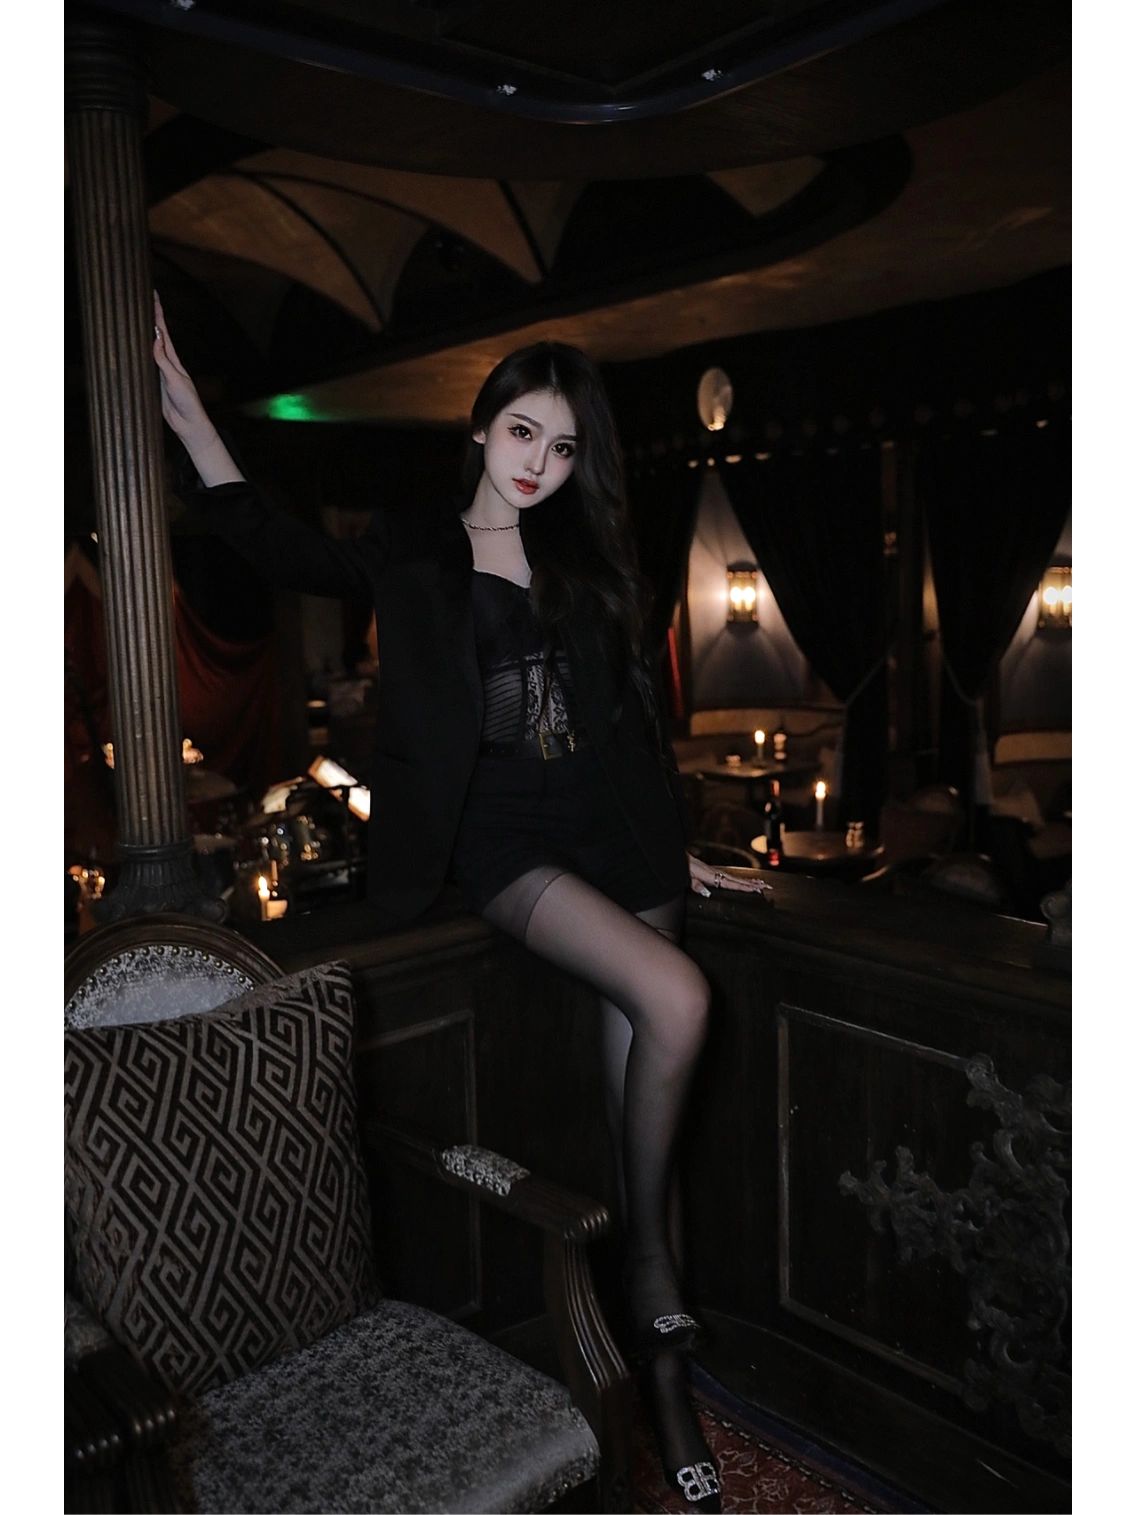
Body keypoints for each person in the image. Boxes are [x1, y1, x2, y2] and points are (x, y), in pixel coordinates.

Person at [154, 294, 766, 1511]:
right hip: (503, 844)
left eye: (563, 446)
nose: (539, 463)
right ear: (481, 429)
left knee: (639, 1103)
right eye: (522, 432)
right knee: (677, 999)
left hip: (618, 830)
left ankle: (662, 1381)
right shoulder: (414, 545)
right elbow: (281, 549)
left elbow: (630, 719)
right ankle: (650, 1279)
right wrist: (189, 418)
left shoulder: (583, 557)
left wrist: (678, 848)